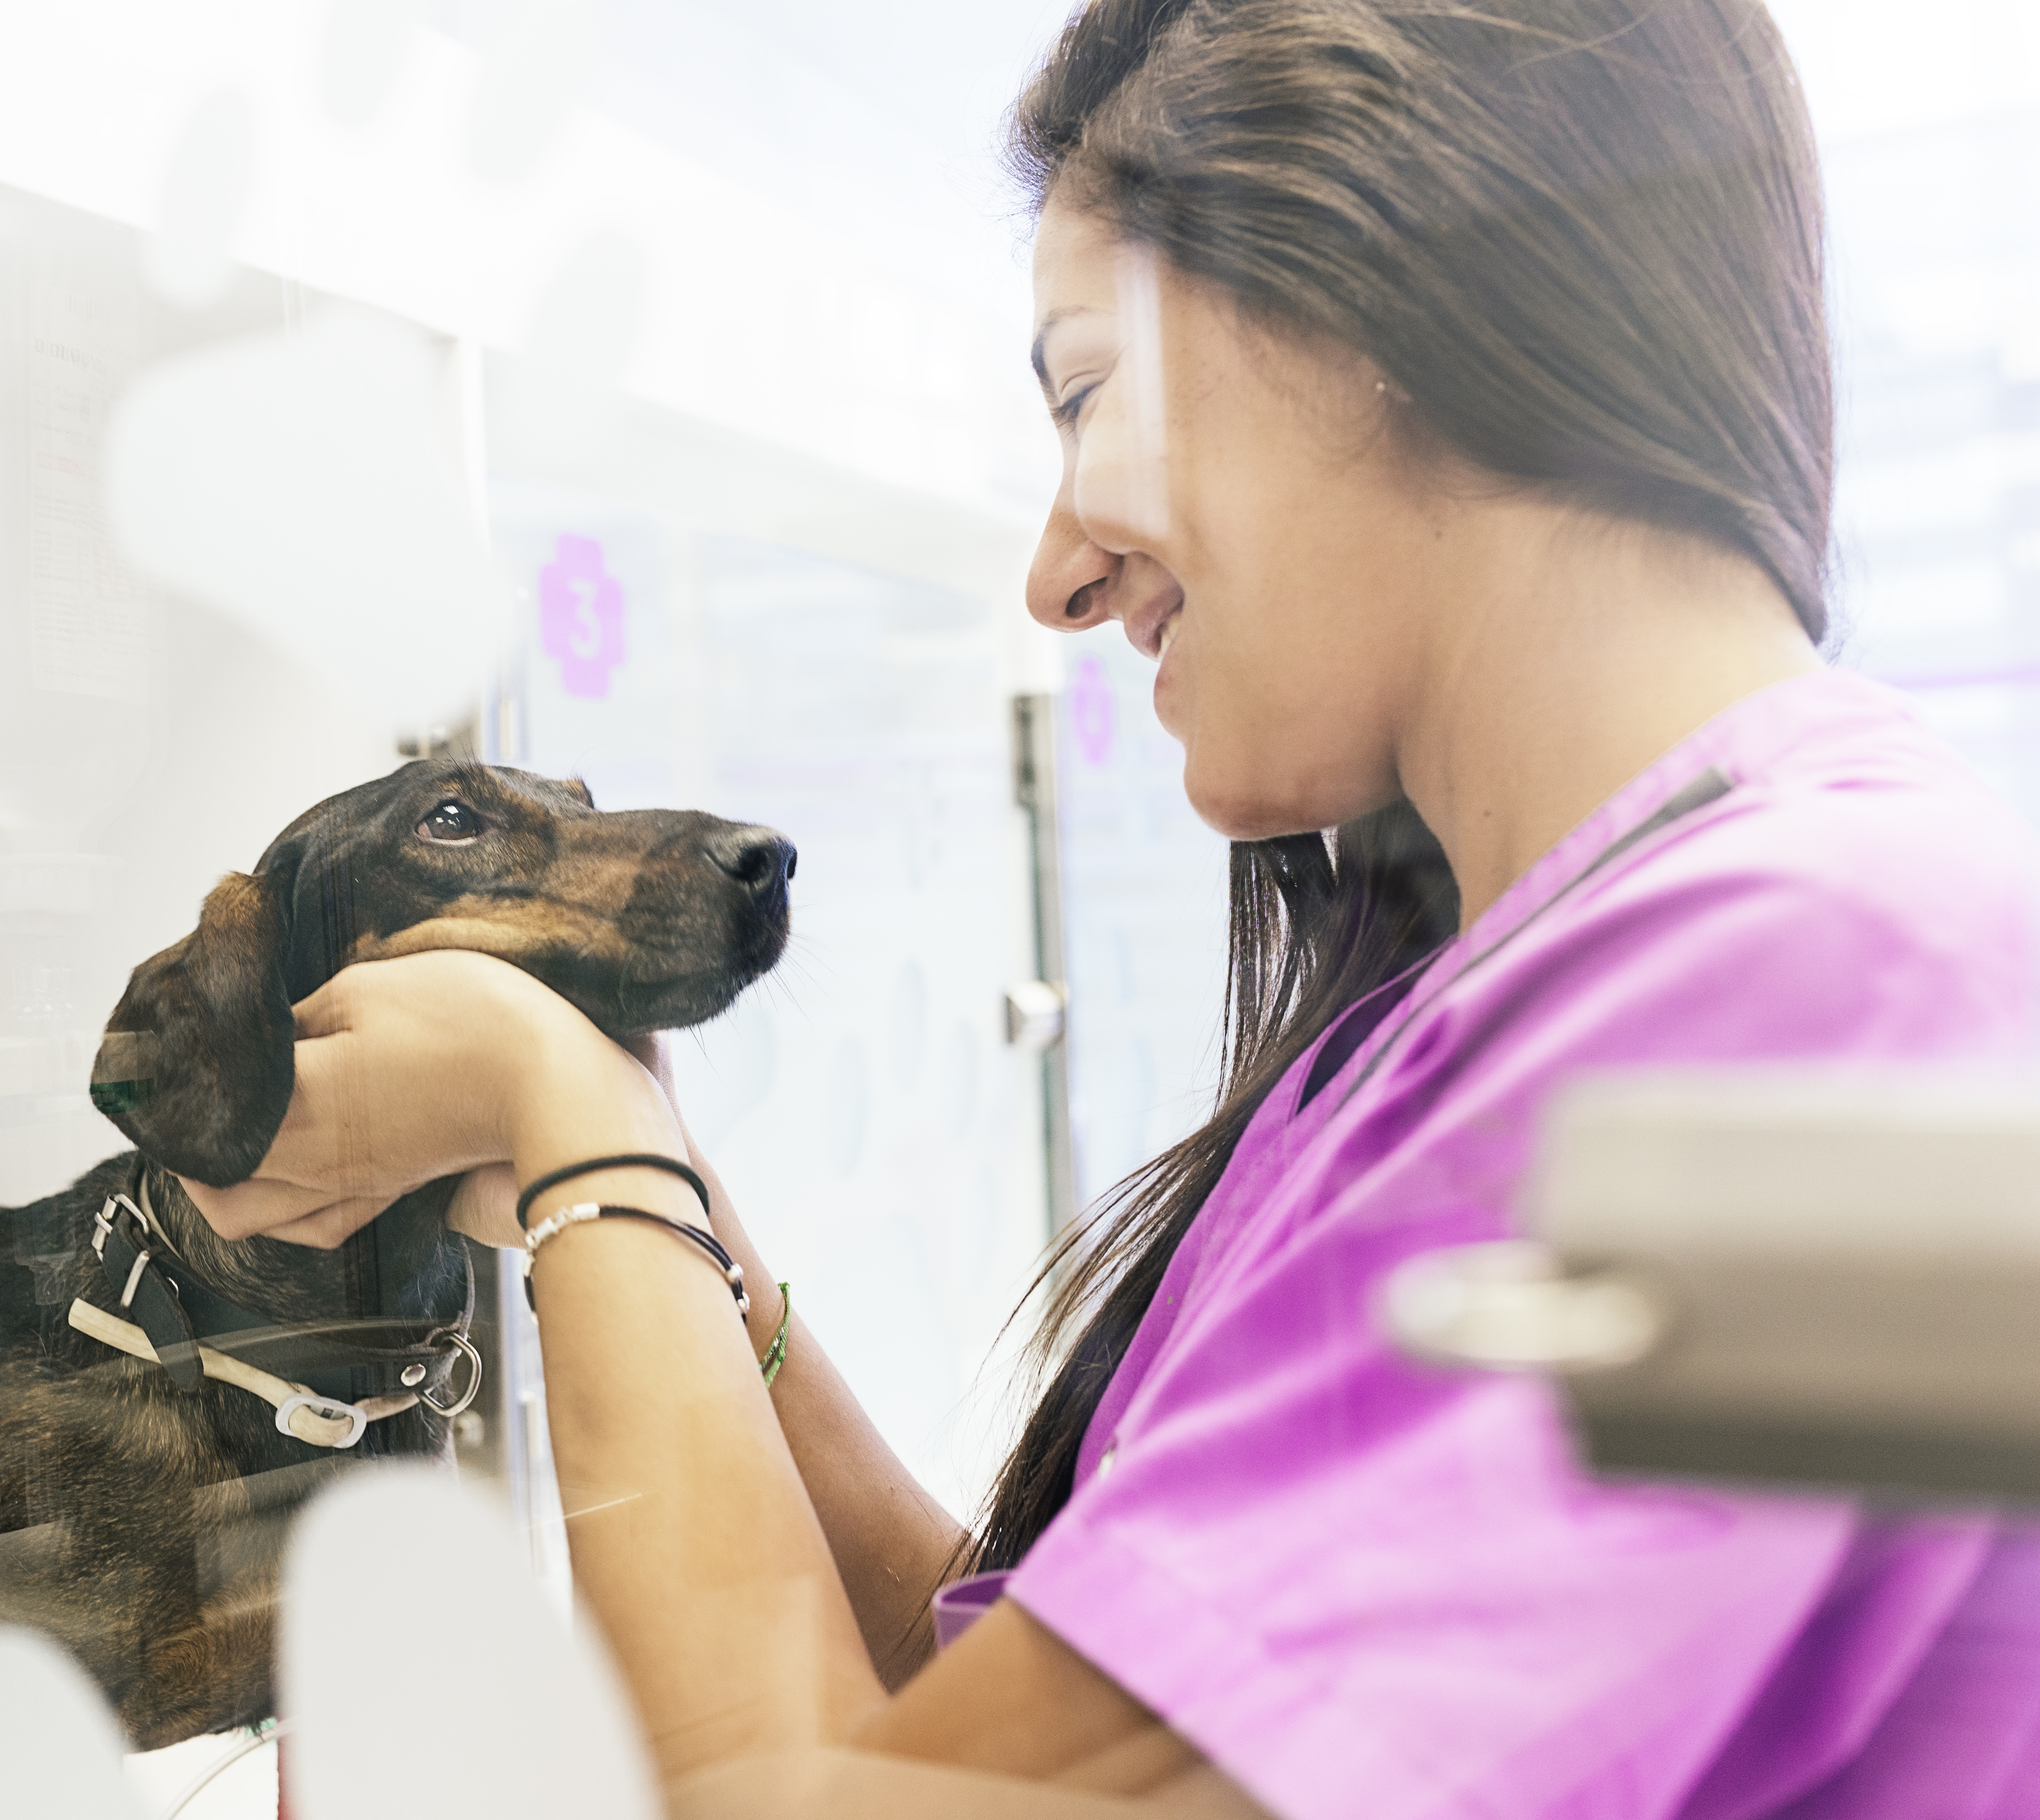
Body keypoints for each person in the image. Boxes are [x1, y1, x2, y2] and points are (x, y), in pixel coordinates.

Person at [184, 0, 2040, 1813]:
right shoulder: (1475, 1017)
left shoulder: (1827, 994)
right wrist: (669, 1207)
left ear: (1372, 289)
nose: (1058, 571)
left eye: (1087, 391)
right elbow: (989, 1700)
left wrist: (578, 1140)